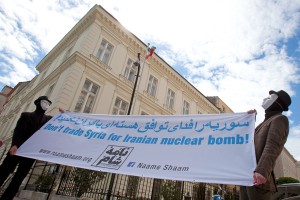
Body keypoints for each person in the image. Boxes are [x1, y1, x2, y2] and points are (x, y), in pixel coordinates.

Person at [0, 96, 57, 200]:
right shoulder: (26, 115)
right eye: (44, 102)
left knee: (18, 178)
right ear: (38, 103)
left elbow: (59, 119)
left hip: (30, 153)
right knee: (4, 171)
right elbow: (18, 131)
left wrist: (65, 113)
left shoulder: (47, 119)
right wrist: (14, 144)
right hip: (17, 149)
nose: (46, 104)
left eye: (48, 103)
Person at [240, 90, 292, 200]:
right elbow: (247, 142)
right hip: (247, 177)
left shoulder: (280, 119)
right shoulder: (264, 123)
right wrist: (248, 120)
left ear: (277, 103)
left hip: (258, 179)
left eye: (269, 98)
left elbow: (272, 146)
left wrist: (262, 171)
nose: (265, 99)